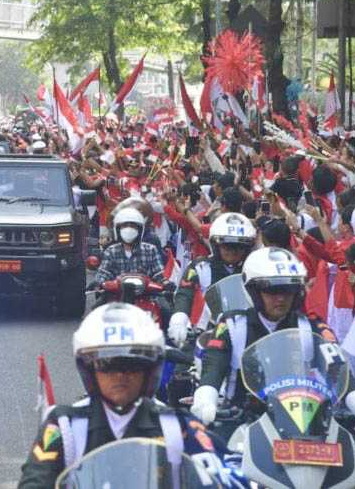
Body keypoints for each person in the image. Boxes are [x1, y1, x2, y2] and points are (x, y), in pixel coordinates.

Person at [18, 303, 236, 488]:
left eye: (132, 364)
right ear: (89, 369)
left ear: (150, 370)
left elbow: (224, 474)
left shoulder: (178, 427)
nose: (120, 375)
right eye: (108, 364)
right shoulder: (65, 425)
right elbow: (34, 480)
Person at [191, 247, 355, 432]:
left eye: (288, 290)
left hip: (302, 426)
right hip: (240, 424)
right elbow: (213, 369)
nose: (281, 298)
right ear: (252, 290)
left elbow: (339, 372)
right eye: (272, 290)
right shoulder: (232, 326)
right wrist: (205, 401)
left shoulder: (312, 327)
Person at [169, 212, 257, 346]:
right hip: (205, 333)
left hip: (246, 335)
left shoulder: (254, 271)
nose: (233, 251)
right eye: (227, 245)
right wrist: (179, 318)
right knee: (182, 365)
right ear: (216, 245)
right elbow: (185, 294)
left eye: (239, 246)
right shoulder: (200, 267)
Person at [93, 207, 165, 286]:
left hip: (145, 295)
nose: (129, 229)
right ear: (117, 229)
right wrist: (97, 283)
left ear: (140, 230)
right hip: (116, 296)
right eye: (125, 226)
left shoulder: (150, 250)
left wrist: (166, 282)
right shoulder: (111, 251)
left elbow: (159, 273)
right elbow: (104, 272)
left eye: (133, 226)